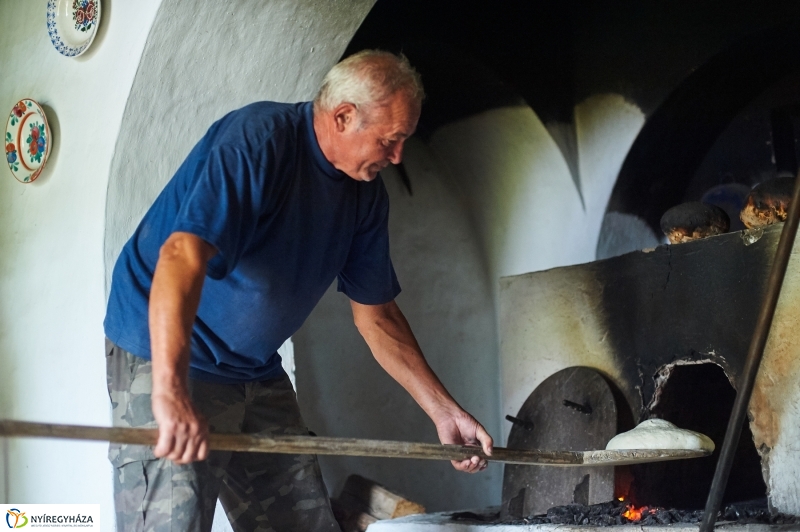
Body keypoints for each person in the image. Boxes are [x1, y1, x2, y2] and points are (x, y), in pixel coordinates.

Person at [104, 50, 493, 532]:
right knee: (172, 521)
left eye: (403, 142)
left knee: (304, 524)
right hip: (164, 352)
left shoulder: (365, 196)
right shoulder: (259, 141)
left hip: (253, 369)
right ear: (344, 116)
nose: (397, 157)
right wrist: (168, 389)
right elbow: (180, 257)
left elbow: (377, 317)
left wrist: (444, 411)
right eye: (390, 140)